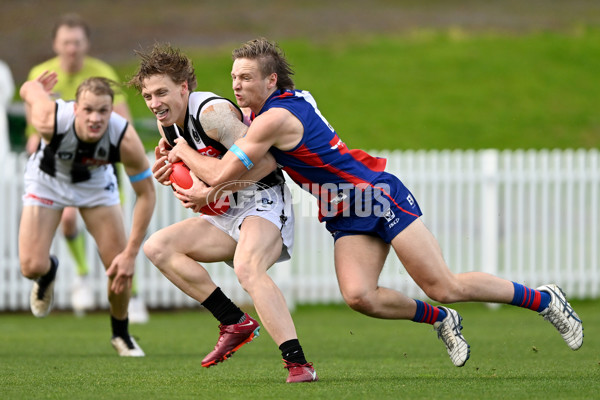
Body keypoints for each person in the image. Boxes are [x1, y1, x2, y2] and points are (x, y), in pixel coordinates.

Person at [173, 37, 584, 368]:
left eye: (246, 77)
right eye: (233, 77)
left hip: (376, 195)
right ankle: (441, 320)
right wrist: (205, 178)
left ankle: (545, 300)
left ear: (271, 80)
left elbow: (222, 172)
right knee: (359, 297)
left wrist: (181, 151)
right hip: (343, 211)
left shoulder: (273, 119)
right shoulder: (272, 114)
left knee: (443, 284)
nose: (236, 85)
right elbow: (256, 169)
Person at [128, 43, 317, 383]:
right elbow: (199, 170)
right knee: (158, 247)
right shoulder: (167, 125)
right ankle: (234, 321)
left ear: (184, 87)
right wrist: (171, 169)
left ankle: (299, 364)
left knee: (248, 268)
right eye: (147, 97)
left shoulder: (212, 114)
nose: (155, 104)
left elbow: (268, 162)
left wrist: (212, 190)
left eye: (161, 93)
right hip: (226, 210)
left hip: (262, 201)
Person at [19, 72, 156, 356]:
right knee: (30, 267)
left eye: (103, 111)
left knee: (119, 267)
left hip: (95, 186)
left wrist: (130, 254)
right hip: (48, 180)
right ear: (76, 108)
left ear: (111, 111)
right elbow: (27, 90)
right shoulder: (50, 118)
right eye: (89, 110)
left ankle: (121, 333)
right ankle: (48, 273)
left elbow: (147, 194)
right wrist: (37, 90)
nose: (95, 118)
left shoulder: (124, 137)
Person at [24, 13, 148, 321]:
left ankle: (132, 299)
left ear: (85, 44)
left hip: (97, 169)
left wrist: (109, 145)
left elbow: (122, 121)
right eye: (66, 42)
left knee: (116, 248)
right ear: (56, 44)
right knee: (56, 234)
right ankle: (77, 275)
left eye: (77, 42)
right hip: (58, 167)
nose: (72, 48)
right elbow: (35, 123)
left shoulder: (101, 72)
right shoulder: (42, 72)